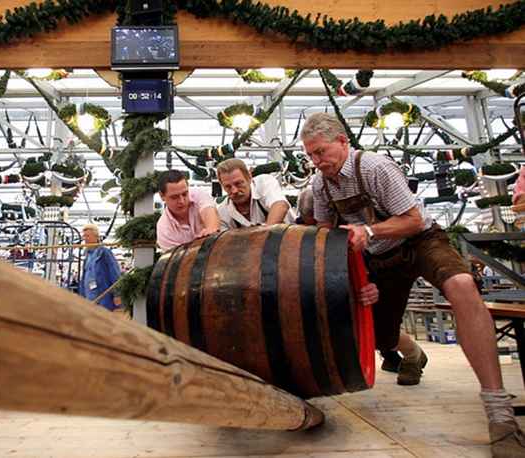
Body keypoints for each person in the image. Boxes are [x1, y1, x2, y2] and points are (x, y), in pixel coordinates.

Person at [302, 112, 524, 457]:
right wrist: (353, 279)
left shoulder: (375, 167)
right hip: (377, 260)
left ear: (343, 142)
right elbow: (326, 240)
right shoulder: (320, 185)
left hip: (420, 241)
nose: (317, 162)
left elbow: (413, 219)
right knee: (380, 339)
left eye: (321, 152)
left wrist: (370, 231)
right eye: (311, 155)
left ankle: (499, 412)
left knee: (463, 285)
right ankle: (412, 353)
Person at [297, 184, 404, 373]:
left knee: (377, 321)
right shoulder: (295, 231)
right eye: (309, 221)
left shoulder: (346, 233)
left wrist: (370, 284)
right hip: (317, 293)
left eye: (316, 221)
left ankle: (407, 355)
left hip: (349, 287)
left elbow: (365, 264)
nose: (314, 226)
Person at [215, 158, 292, 229]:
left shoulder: (264, 183)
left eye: (238, 183)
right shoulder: (222, 213)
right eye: (228, 187)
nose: (234, 190)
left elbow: (280, 206)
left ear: (249, 178)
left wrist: (264, 236)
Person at [156, 169, 220, 250]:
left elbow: (209, 211)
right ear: (162, 196)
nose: (181, 201)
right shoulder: (164, 230)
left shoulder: (198, 194)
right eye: (174, 197)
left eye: (185, 194)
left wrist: (211, 228)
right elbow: (177, 260)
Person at [78, 223, 122, 311]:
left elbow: (114, 273)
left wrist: (117, 294)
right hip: (89, 298)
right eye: (84, 236)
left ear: (96, 237)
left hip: (103, 298)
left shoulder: (104, 253)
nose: (85, 239)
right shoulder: (87, 256)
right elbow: (84, 278)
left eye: (87, 236)